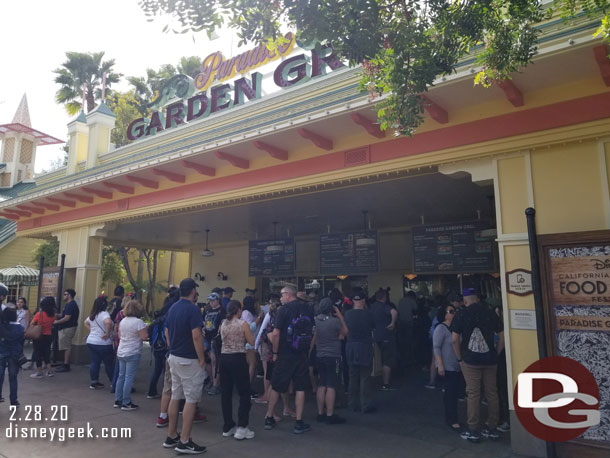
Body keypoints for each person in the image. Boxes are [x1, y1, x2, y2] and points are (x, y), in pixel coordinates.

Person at [451, 288, 504, 443]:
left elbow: (454, 339)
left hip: (470, 360)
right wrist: (496, 353)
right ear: (478, 299)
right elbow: (501, 336)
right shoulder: (489, 312)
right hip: (490, 359)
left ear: (465, 301)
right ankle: (492, 427)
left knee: (473, 393)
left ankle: (473, 429)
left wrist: (460, 358)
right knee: (492, 393)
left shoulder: (461, 313)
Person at [162, 278, 207, 454]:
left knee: (176, 395)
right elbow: (197, 336)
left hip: (174, 357)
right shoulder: (193, 310)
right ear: (193, 291)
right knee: (191, 399)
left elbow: (167, 331)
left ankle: (171, 434)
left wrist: (172, 347)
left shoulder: (173, 307)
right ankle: (185, 440)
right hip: (189, 360)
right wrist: (201, 358)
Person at [264, 285, 314, 434]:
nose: (280, 298)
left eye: (281, 294)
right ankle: (299, 421)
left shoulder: (283, 310)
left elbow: (276, 334)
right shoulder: (308, 309)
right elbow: (313, 331)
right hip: (301, 354)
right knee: (300, 388)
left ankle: (270, 417)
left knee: (276, 385)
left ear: (288, 295)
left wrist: (275, 352)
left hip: (285, 354)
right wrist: (309, 350)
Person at [219, 300, 256, 440]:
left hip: (224, 358)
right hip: (238, 358)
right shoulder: (243, 324)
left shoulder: (223, 323)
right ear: (238, 310)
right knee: (244, 393)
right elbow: (251, 341)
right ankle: (242, 426)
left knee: (226, 394)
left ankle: (228, 425)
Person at [312, 299, 348, 424]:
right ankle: (330, 414)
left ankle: (320, 413)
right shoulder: (335, 322)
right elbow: (345, 332)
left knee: (322, 384)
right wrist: (340, 315)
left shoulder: (316, 320)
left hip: (320, 355)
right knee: (331, 385)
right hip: (333, 356)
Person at [344, 288, 375, 413]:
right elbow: (374, 327)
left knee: (352, 376)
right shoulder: (369, 314)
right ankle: (365, 405)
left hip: (351, 346)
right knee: (365, 377)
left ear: (352, 301)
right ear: (363, 301)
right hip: (365, 346)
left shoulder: (347, 314)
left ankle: (352, 404)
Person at [433, 303, 462, 432]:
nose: (453, 313)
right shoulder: (440, 328)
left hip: (457, 365)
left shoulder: (457, 328)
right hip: (447, 365)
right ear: (444, 314)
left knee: (455, 392)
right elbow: (436, 347)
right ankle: (451, 419)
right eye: (450, 311)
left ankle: (454, 417)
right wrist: (440, 365)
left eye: (454, 311)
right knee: (450, 393)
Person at [114, 300, 148, 410]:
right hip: (133, 351)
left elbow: (119, 334)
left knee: (121, 376)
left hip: (121, 350)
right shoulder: (138, 322)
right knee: (129, 377)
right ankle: (126, 402)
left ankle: (118, 400)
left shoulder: (123, 321)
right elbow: (144, 337)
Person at [84, 295, 114, 389]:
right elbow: (108, 322)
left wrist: (92, 330)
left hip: (91, 341)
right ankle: (113, 381)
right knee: (109, 363)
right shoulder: (105, 314)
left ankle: (94, 382)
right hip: (104, 343)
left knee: (94, 362)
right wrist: (107, 333)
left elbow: (85, 322)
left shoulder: (93, 314)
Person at [370, 289, 398, 390]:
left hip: (376, 336)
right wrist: (393, 323)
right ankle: (385, 384)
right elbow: (394, 312)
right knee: (388, 360)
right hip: (387, 335)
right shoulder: (384, 306)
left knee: (382, 358)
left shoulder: (372, 307)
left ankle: (381, 378)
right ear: (384, 297)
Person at [0, 307, 25, 405]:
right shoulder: (19, 328)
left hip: (1, 352)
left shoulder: (1, 326)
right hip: (14, 354)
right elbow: (21, 339)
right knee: (13, 377)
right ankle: (13, 400)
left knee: (0, 376)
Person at [204, 292, 225, 396]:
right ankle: (211, 380)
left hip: (216, 339)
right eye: (210, 300)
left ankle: (216, 384)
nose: (211, 302)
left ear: (218, 300)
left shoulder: (222, 311)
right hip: (206, 337)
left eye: (213, 300)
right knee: (205, 359)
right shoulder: (207, 310)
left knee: (214, 361)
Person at [30, 296, 56, 379]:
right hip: (49, 335)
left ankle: (39, 372)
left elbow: (32, 324)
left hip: (39, 336)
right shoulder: (53, 315)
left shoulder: (39, 314)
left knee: (38, 353)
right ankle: (49, 371)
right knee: (46, 353)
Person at [53, 289, 79, 372]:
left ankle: (66, 365)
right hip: (66, 327)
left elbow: (67, 318)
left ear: (69, 295)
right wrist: (58, 315)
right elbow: (64, 315)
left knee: (67, 346)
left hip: (68, 327)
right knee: (65, 345)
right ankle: (64, 363)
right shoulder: (69, 305)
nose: (64, 296)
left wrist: (56, 322)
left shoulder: (71, 305)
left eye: (65, 294)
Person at [241, 295, 261, 393]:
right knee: (252, 364)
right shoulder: (246, 313)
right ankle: (247, 387)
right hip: (249, 343)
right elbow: (250, 328)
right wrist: (260, 317)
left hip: (253, 342)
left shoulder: (251, 313)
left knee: (251, 364)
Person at [397, 290, 417, 370]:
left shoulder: (401, 300)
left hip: (400, 323)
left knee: (402, 342)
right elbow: (416, 309)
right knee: (409, 341)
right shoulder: (412, 300)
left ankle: (402, 359)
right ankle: (409, 360)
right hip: (409, 323)